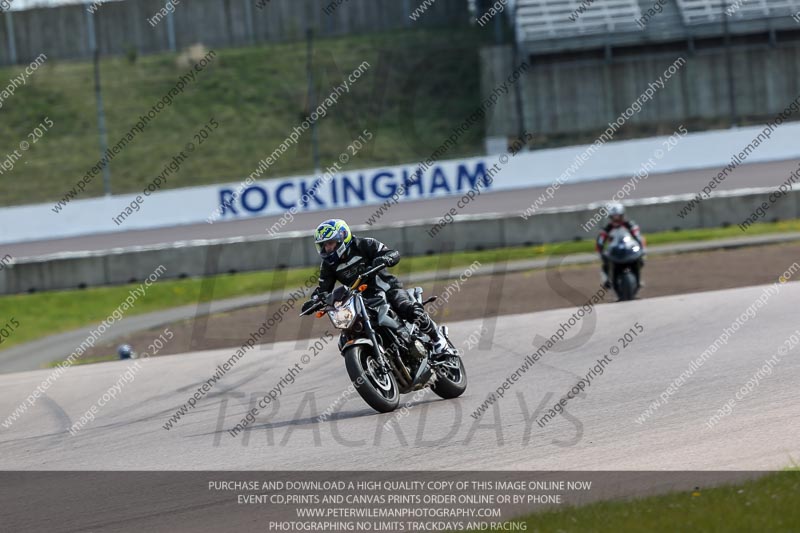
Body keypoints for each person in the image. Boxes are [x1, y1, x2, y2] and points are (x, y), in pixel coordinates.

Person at [301, 219, 453, 359]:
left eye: (331, 243)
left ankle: (437, 338)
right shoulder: (328, 266)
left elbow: (392, 253)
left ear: (343, 237)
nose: (328, 248)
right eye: (324, 245)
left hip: (387, 288)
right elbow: (324, 289)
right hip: (361, 300)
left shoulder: (364, 244)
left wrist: (387, 258)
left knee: (407, 308)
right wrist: (315, 300)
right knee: (348, 332)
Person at [596, 203, 646, 289]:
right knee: (605, 265)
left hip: (628, 249)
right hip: (614, 251)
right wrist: (601, 252)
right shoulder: (607, 228)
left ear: (622, 215)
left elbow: (638, 236)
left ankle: (638, 281)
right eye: (614, 216)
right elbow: (600, 241)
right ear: (610, 217)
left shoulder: (630, 225)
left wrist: (642, 249)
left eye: (618, 216)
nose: (616, 219)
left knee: (640, 260)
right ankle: (607, 280)